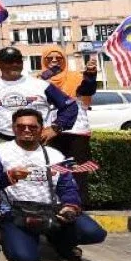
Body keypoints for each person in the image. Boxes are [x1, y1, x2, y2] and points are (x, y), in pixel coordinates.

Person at [0, 109, 107, 261]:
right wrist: (9, 177)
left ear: (41, 128)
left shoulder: (56, 155)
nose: (27, 130)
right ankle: (6, 235)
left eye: (32, 127)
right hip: (16, 212)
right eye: (21, 126)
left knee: (94, 233)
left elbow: (68, 187)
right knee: (27, 259)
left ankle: (62, 245)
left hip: (51, 210)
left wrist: (70, 207)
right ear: (13, 128)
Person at [0, 46, 78, 143]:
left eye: (18, 61)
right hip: (1, 141)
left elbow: (69, 106)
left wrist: (55, 128)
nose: (14, 64)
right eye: (8, 62)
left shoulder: (41, 85)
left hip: (36, 141)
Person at [40, 45, 98, 204]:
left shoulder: (75, 77)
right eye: (49, 58)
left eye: (58, 58)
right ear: (43, 60)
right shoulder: (39, 81)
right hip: (50, 131)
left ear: (64, 60)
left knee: (78, 170)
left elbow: (87, 89)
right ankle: (57, 204)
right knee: (53, 169)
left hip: (76, 130)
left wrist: (91, 75)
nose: (54, 61)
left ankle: (80, 205)